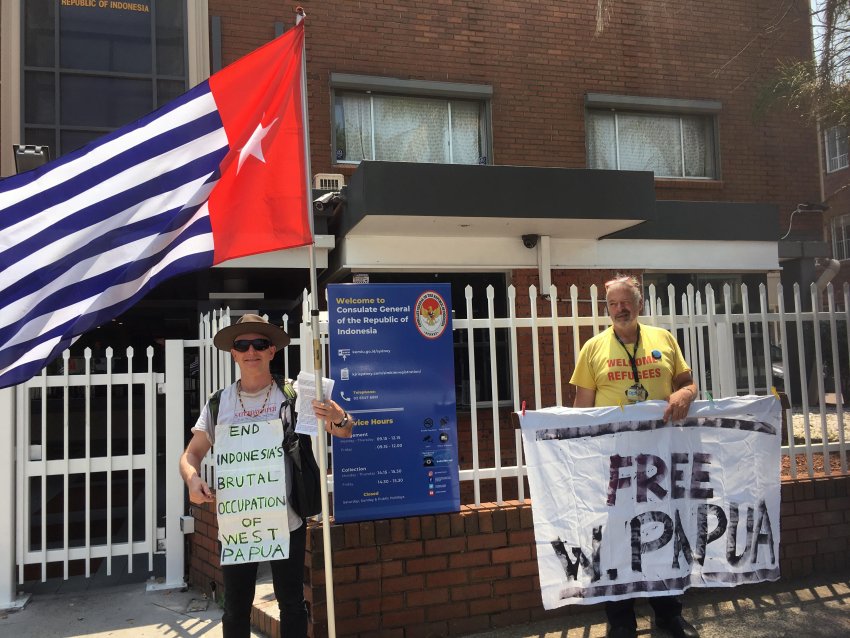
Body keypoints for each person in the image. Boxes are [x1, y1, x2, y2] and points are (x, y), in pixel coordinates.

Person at [179, 314, 353, 638]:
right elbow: (191, 454)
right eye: (242, 345)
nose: (251, 351)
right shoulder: (219, 404)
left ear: (272, 350)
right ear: (233, 353)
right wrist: (191, 479)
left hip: (287, 523)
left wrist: (339, 417)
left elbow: (343, 430)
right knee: (235, 609)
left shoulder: (293, 395)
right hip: (238, 525)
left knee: (291, 604)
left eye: (259, 343)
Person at [570, 275, 699, 638]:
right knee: (616, 540)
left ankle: (668, 615)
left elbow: (688, 383)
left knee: (663, 533)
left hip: (661, 460)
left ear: (639, 304)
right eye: (613, 304)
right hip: (615, 464)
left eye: (625, 302)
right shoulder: (593, 348)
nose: (619, 309)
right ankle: (621, 621)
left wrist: (686, 394)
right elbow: (583, 410)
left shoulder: (664, 339)